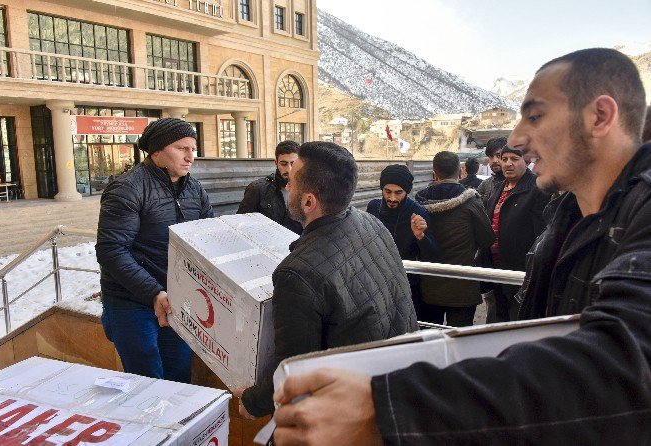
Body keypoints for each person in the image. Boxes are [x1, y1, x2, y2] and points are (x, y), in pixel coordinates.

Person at [271, 48, 651, 445]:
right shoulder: (569, 212)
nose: (518, 139)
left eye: (535, 116)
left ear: (600, 117)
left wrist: (388, 408)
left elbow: (629, 361)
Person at [234, 141, 418, 419]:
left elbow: (294, 368)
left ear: (309, 201)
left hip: (351, 410)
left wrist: (252, 402)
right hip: (395, 386)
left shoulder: (297, 274)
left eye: (293, 183)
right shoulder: (371, 223)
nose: (288, 188)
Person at [96, 118, 214, 384]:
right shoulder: (128, 188)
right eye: (182, 148)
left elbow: (209, 239)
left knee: (178, 377)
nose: (190, 157)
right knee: (146, 382)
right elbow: (111, 250)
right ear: (157, 151)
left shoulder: (194, 189)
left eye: (193, 149)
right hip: (131, 303)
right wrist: (152, 292)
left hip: (175, 300)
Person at [416, 151, 494, 326]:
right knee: (460, 343)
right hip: (463, 287)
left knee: (431, 341)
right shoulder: (472, 202)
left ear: (434, 173)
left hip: (429, 285)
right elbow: (487, 239)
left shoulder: (418, 203)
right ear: (460, 171)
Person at [480, 145, 550, 321]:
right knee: (498, 320)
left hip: (521, 272)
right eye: (504, 159)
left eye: (514, 159)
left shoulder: (537, 189)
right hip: (496, 269)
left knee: (517, 321)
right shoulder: (497, 188)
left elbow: (542, 235)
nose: (508, 164)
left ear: (525, 161)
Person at [366, 164, 439, 311]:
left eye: (398, 193)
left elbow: (433, 254)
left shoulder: (418, 212)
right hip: (376, 283)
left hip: (408, 286)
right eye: (388, 191)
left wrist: (420, 236)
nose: (392, 198)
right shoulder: (373, 207)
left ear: (406, 191)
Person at [237, 140, 302, 234]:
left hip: (298, 247)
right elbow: (241, 224)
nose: (289, 169)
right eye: (283, 164)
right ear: (276, 163)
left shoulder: (307, 190)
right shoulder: (257, 189)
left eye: (293, 163)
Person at [476, 136, 507, 206]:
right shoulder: (485, 185)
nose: (494, 161)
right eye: (491, 156)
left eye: (498, 155)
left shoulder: (518, 183)